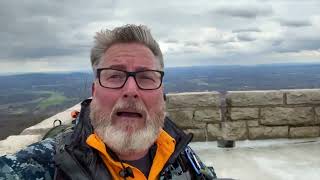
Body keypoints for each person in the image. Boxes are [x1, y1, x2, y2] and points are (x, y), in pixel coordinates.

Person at [0, 24, 217, 179]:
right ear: (94, 91)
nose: (131, 90)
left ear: (162, 93)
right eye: (114, 76)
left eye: (146, 77)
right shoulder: (43, 165)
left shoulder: (180, 153)